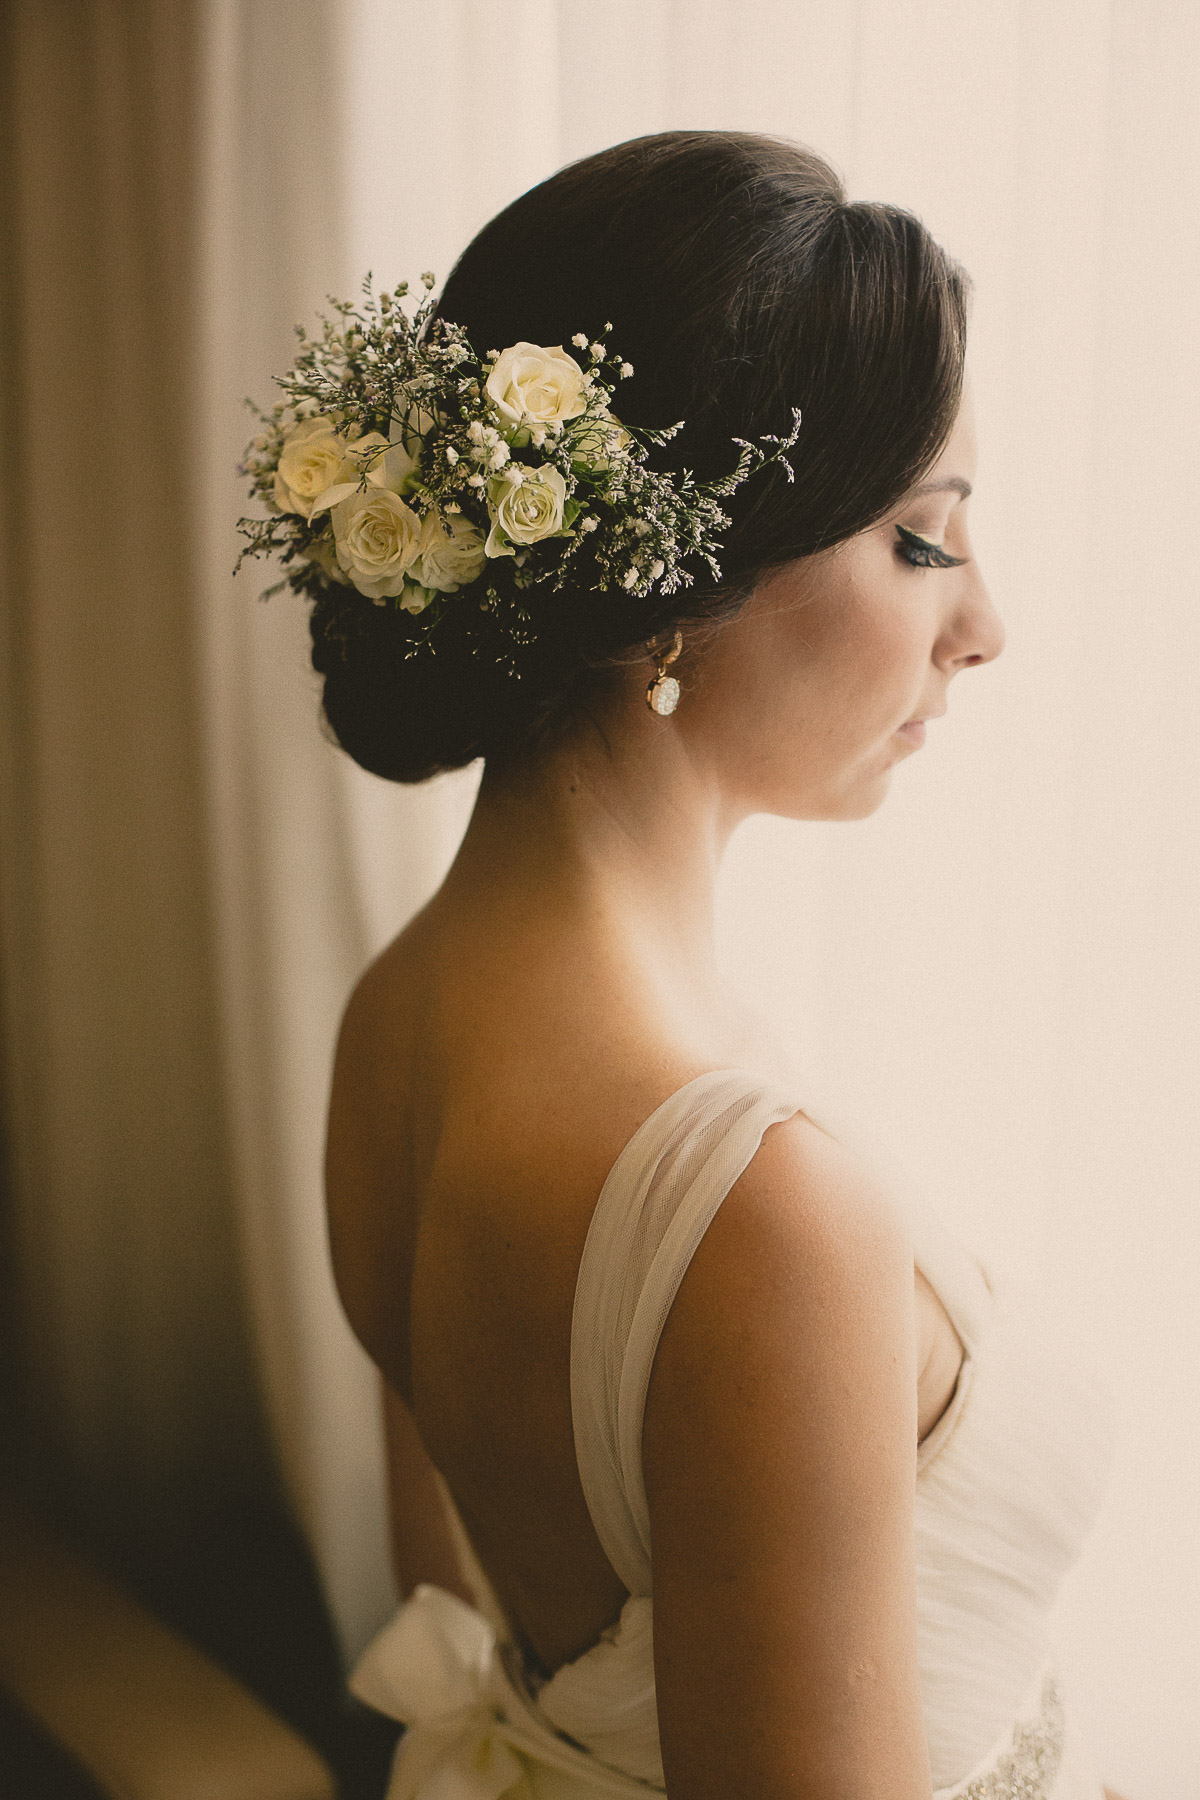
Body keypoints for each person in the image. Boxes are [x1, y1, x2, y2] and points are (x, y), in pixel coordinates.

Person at [316, 131, 1125, 1800]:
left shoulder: (394, 1024)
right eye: (924, 537)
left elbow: (459, 1603)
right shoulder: (761, 1212)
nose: (985, 626)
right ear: (662, 588)